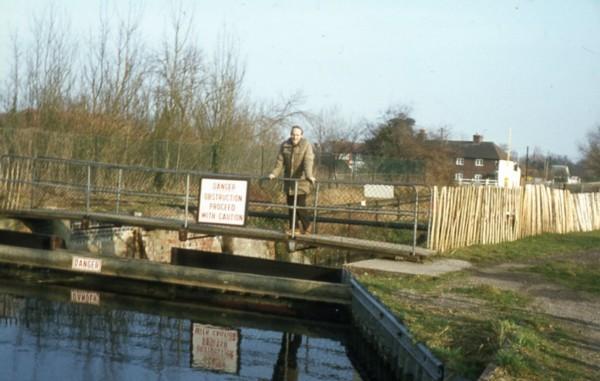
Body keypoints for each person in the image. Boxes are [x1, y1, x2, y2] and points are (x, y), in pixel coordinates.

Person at [268, 125, 316, 234]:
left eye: (297, 135)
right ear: (291, 134)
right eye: (293, 134)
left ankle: (307, 226)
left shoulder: (306, 145)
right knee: (290, 205)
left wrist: (309, 175)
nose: (295, 137)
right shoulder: (285, 146)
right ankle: (294, 228)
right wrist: (274, 174)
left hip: (301, 181)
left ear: (301, 135)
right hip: (289, 182)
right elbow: (279, 162)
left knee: (299, 205)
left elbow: (308, 161)